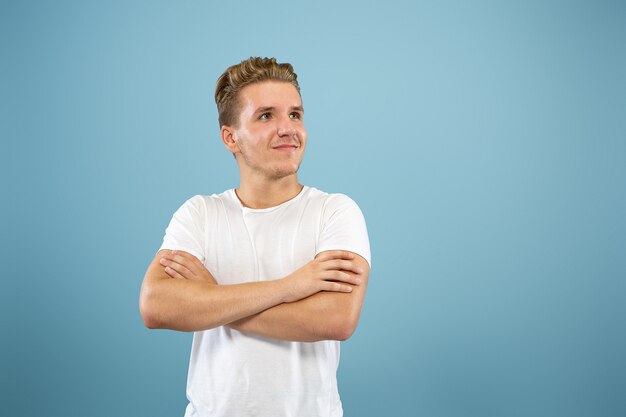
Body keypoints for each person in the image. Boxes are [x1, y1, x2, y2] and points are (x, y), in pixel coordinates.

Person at [139, 57, 371, 417]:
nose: (287, 128)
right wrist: (291, 287)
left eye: (295, 114)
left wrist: (211, 301)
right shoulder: (200, 214)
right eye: (266, 116)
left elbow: (336, 319)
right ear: (230, 137)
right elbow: (156, 306)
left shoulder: (335, 212)